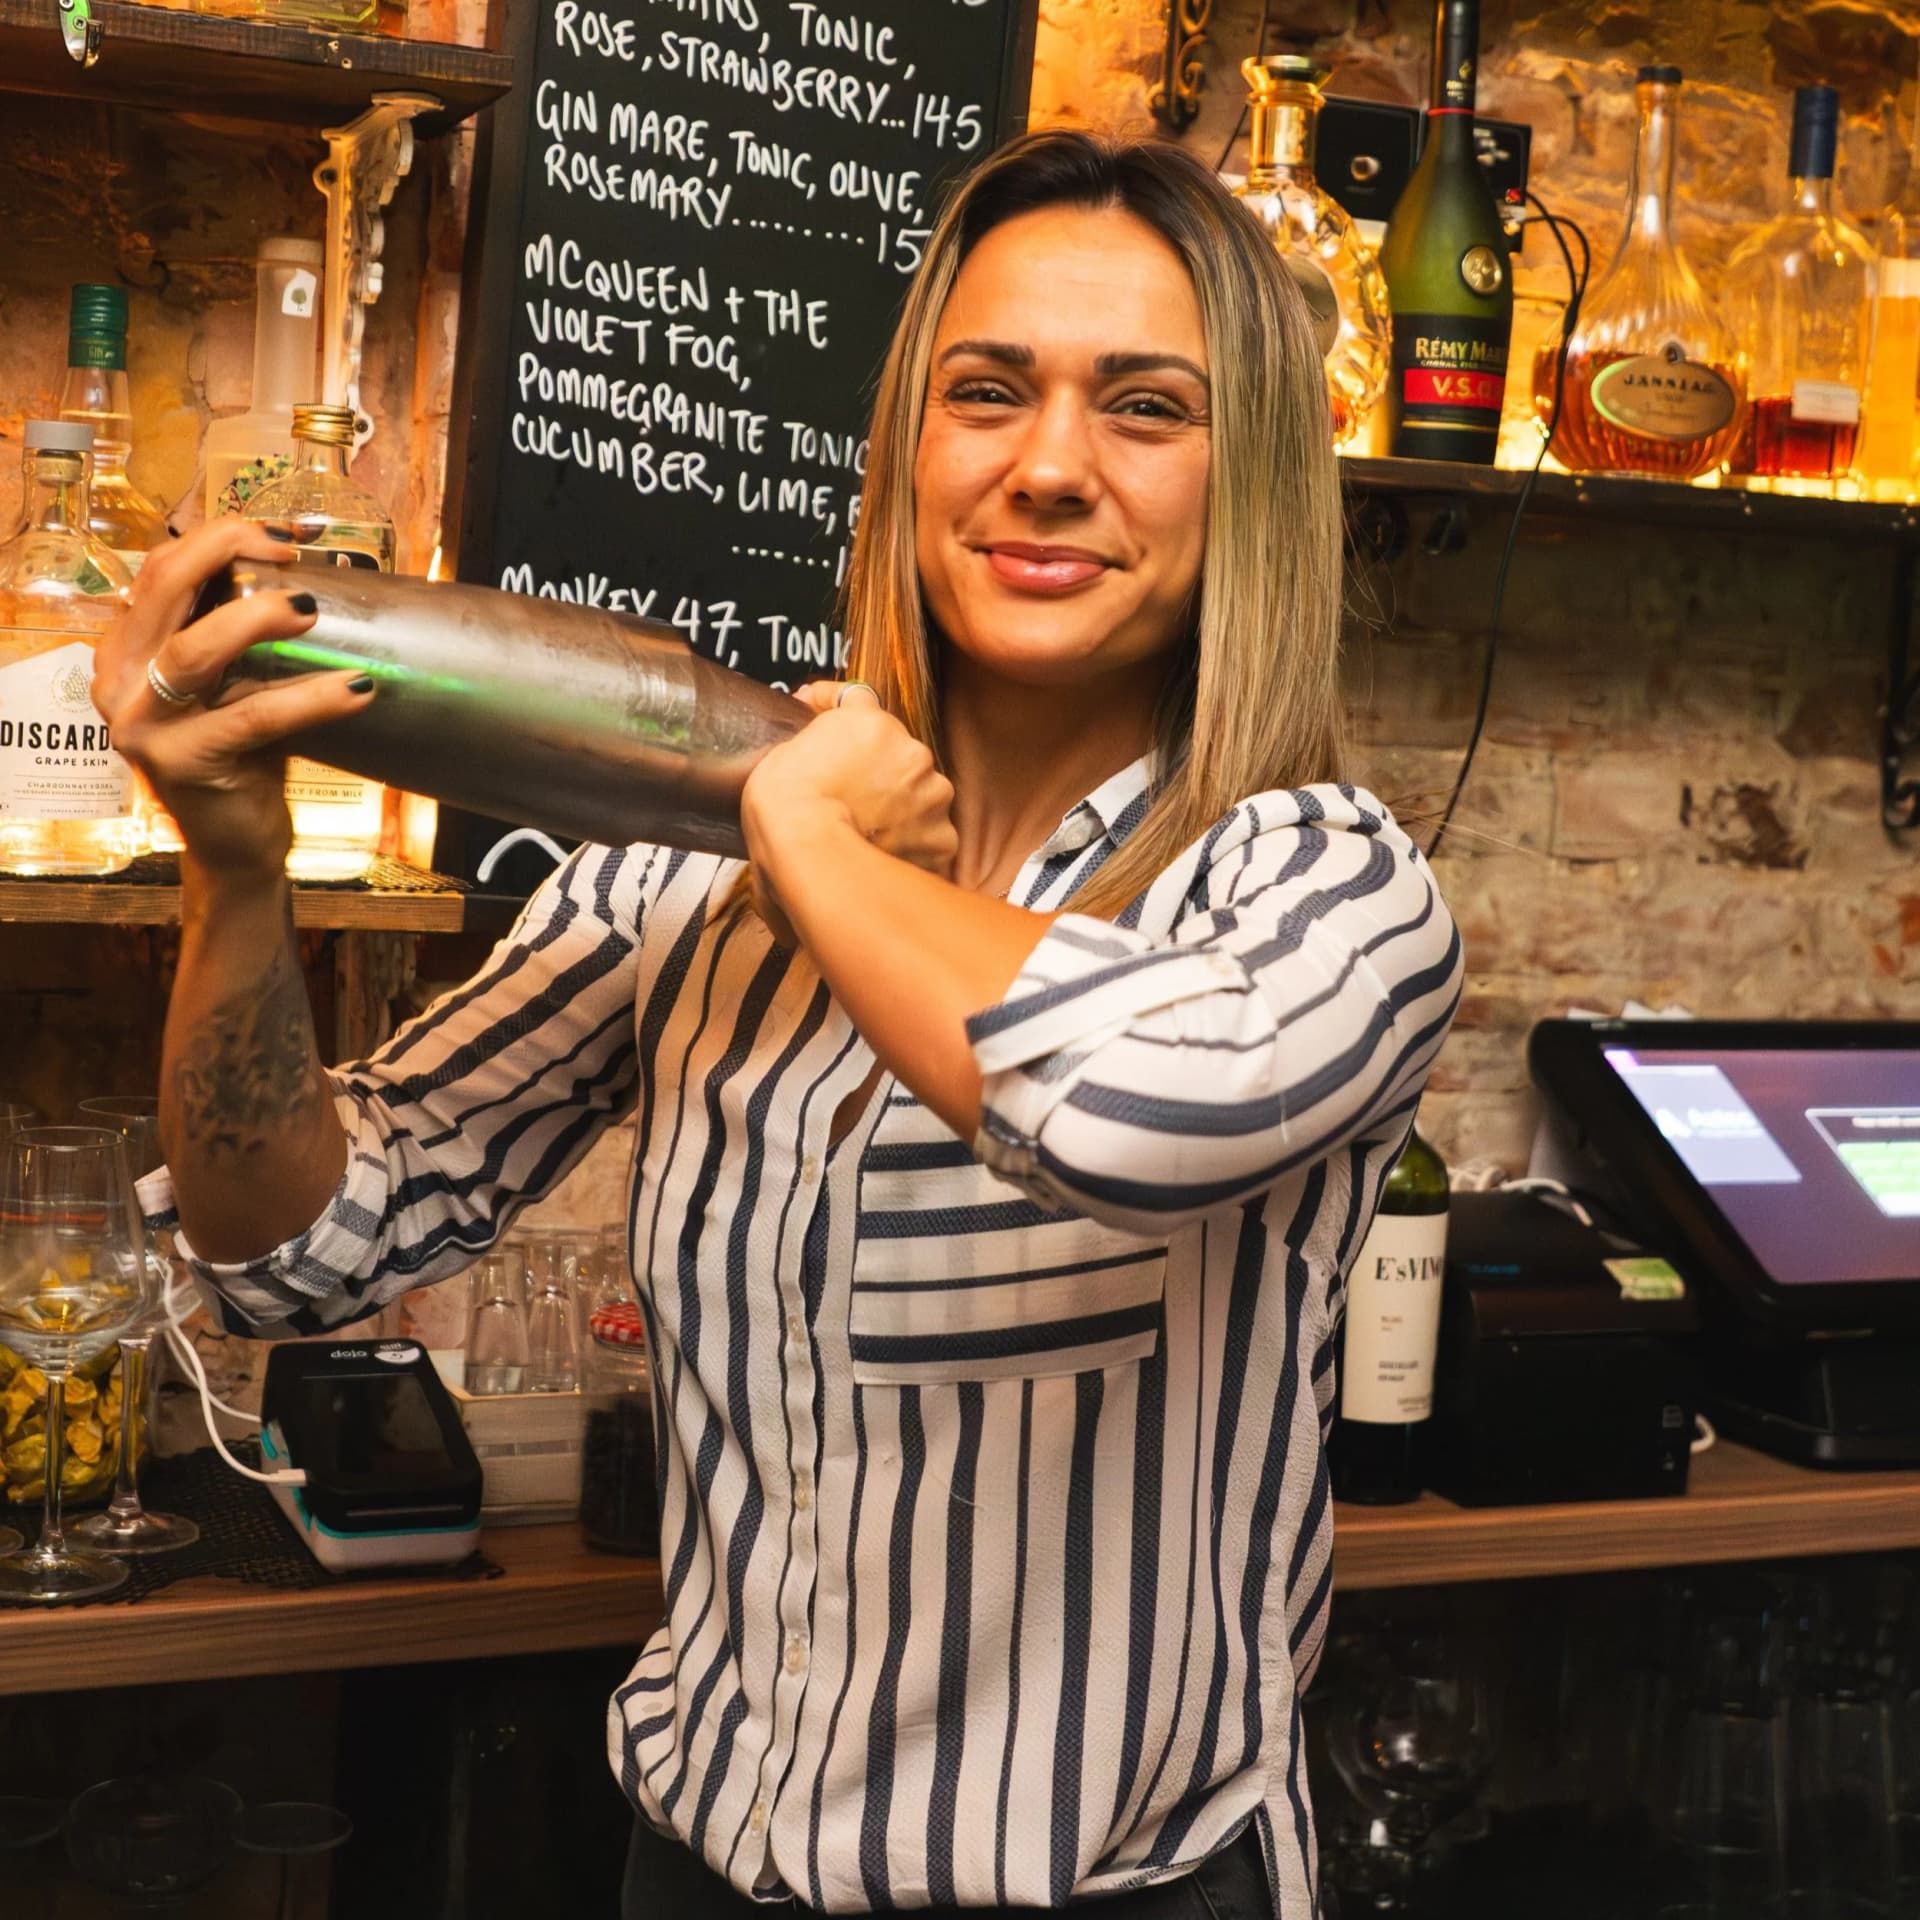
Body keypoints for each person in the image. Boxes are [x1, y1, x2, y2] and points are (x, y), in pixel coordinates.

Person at [96, 132, 1461, 1917]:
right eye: (989, 392)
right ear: (903, 459)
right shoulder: (682, 886)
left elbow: (1135, 1120)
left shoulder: (1318, 884)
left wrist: (804, 828)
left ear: (1253, 485)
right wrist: (237, 871)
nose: (1049, 467)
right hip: (696, 1872)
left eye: (1146, 409)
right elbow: (299, 1253)